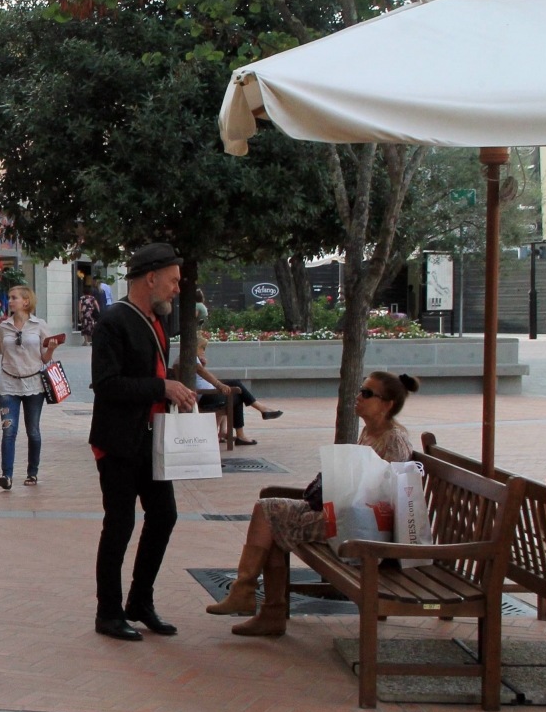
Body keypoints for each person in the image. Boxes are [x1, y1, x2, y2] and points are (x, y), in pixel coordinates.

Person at [208, 371, 420, 636]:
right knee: (268, 511)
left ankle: (257, 601)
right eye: (359, 390)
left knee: (269, 515)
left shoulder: (394, 440)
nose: (358, 397)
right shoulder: (370, 431)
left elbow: (391, 498)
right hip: (345, 516)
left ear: (387, 404)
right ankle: (256, 601)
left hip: (363, 531)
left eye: (366, 393)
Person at [88, 244, 199, 641]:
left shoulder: (158, 321)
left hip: (151, 440)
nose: (177, 288)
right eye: (172, 280)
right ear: (150, 279)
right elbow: (106, 384)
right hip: (117, 442)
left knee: (164, 516)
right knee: (119, 525)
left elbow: (150, 373)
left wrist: (174, 389)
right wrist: (160, 386)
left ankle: (139, 601)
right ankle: (108, 613)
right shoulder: (113, 321)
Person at [0, 284, 60, 490]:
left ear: (26, 301)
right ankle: (7, 475)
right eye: (10, 297)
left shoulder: (39, 325)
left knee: (33, 431)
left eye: (14, 297)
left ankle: (32, 472)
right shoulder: (4, 326)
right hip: (8, 384)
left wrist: (51, 349)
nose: (10, 301)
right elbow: (2, 354)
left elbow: (45, 358)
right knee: (8, 431)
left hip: (33, 384)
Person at [188, 332, 282, 446]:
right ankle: (254, 418)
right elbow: (204, 375)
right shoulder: (191, 360)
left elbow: (200, 378)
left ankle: (234, 430)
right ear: (195, 347)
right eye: (202, 347)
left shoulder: (189, 359)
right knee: (236, 392)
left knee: (235, 390)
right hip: (205, 397)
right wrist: (220, 385)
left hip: (207, 394)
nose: (204, 351)